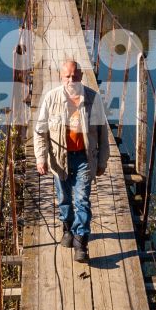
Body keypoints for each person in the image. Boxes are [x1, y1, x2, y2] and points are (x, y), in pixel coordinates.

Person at [33, 57, 109, 263]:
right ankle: (67, 226)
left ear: (82, 77)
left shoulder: (93, 99)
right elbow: (40, 132)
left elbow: (103, 134)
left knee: (82, 200)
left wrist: (102, 161)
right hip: (60, 158)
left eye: (75, 76)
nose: (71, 80)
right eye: (67, 76)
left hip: (84, 158)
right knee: (64, 198)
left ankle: (80, 241)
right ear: (61, 77)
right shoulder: (51, 98)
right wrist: (41, 158)